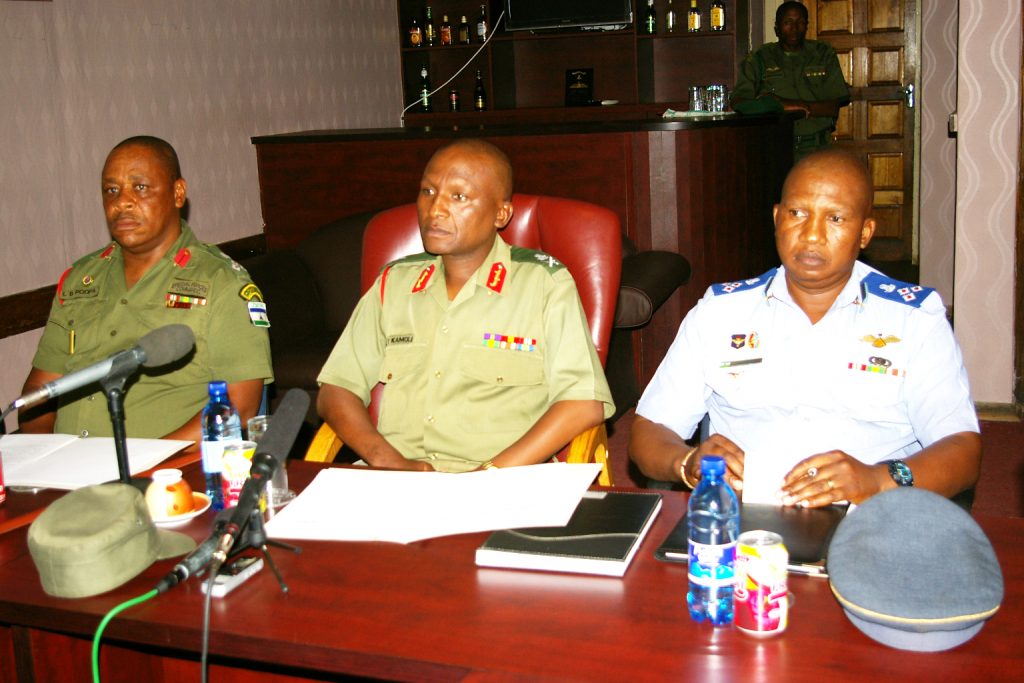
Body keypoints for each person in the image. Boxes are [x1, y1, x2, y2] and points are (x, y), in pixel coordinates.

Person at [628, 149, 980, 508]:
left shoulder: (914, 318)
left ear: (865, 233)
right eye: (797, 213)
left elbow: (962, 449)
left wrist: (878, 480)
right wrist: (686, 463)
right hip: (747, 512)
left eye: (836, 219)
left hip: (873, 512)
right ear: (777, 218)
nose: (812, 235)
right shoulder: (720, 312)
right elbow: (649, 432)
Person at [317, 139, 614, 472]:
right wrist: (390, 462)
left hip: (500, 482)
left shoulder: (544, 285)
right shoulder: (394, 283)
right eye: (428, 192)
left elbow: (583, 403)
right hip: (394, 478)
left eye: (458, 197)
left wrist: (485, 478)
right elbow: (336, 388)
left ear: (501, 214)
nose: (436, 210)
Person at [20, 136, 273, 449]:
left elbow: (240, 408)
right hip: (64, 472)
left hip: (161, 478)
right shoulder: (80, 279)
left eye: (139, 187)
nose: (121, 202)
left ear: (178, 193)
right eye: (111, 190)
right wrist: (42, 459)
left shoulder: (221, 284)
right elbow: (38, 393)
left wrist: (142, 467)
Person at [730, 1, 850, 160]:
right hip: (775, 145)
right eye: (787, 22)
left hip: (816, 146)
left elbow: (832, 107)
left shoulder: (823, 53)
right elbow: (740, 102)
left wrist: (799, 106)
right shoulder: (760, 58)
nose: (794, 28)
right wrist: (776, 104)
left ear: (806, 26)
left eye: (800, 22)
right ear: (777, 28)